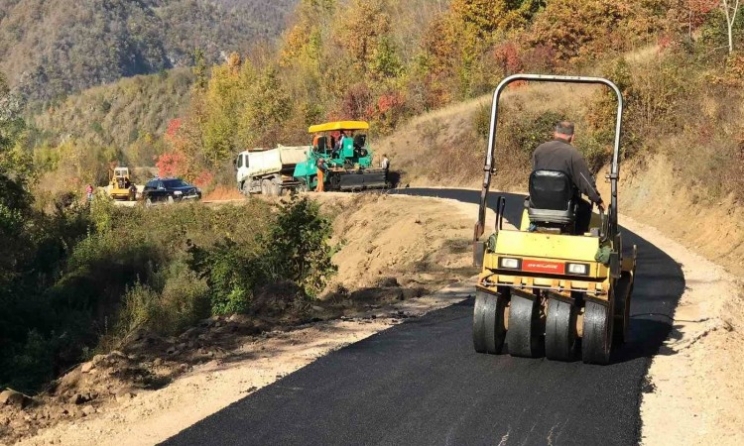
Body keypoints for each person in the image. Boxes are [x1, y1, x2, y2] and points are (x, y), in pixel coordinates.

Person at [531, 121, 604, 234]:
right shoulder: (573, 155)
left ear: (554, 133)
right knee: (585, 209)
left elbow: (535, 176)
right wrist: (597, 199)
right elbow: (585, 182)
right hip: (564, 205)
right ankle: (577, 237)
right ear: (572, 137)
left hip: (537, 202)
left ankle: (534, 228)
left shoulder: (539, 150)